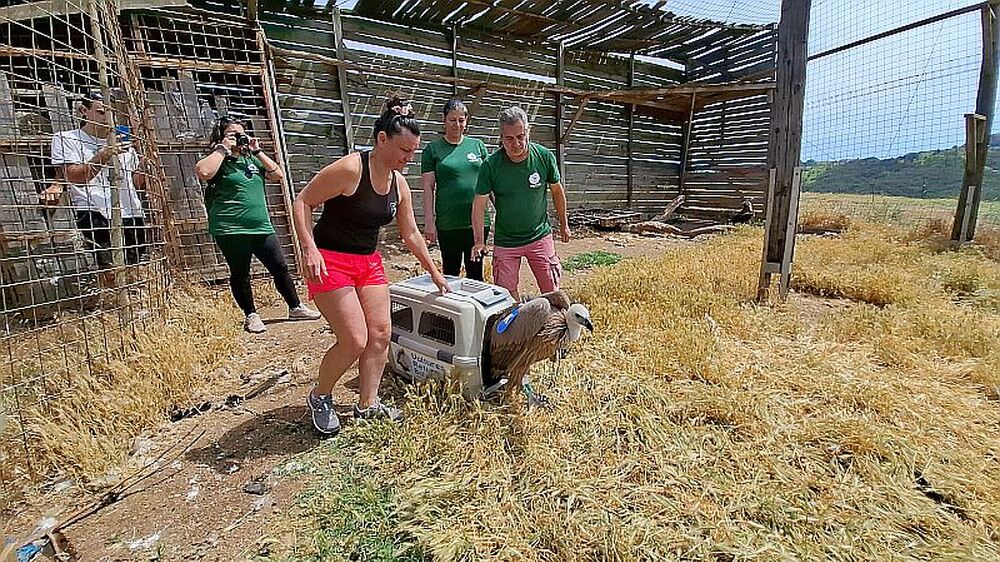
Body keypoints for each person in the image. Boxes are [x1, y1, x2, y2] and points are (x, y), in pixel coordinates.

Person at [292, 96, 449, 435]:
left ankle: (368, 404)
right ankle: (320, 396)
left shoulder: (399, 183)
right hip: (330, 259)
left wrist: (435, 272)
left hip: (368, 262)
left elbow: (410, 234)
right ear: (382, 140)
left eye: (413, 152)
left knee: (380, 334)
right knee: (354, 339)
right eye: (405, 151)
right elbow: (302, 201)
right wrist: (309, 249)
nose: (410, 158)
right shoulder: (351, 169)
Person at [194, 116, 320, 333]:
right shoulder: (219, 160)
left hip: (261, 226)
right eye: (232, 134)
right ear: (222, 136)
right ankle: (251, 315)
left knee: (280, 267)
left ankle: (295, 307)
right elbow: (203, 172)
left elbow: (278, 174)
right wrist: (223, 148)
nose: (238, 138)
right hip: (230, 229)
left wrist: (257, 150)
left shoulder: (251, 160)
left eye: (240, 134)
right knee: (240, 272)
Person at [471, 106, 570, 301]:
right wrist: (479, 240)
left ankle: (552, 326)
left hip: (539, 235)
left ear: (528, 132)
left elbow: (557, 191)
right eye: (509, 139)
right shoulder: (491, 165)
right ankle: (516, 326)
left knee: (551, 290)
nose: (516, 143)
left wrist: (564, 224)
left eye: (520, 136)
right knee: (505, 294)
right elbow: (479, 205)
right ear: (501, 137)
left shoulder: (543, 156)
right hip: (507, 240)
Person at [50, 92, 148, 280]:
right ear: (83, 111)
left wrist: (145, 164)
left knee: (135, 271)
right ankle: (114, 306)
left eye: (112, 112)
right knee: (109, 272)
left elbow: (135, 183)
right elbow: (74, 176)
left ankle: (135, 305)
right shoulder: (66, 138)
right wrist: (104, 155)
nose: (109, 117)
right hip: (95, 211)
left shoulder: (124, 140)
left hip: (130, 211)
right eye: (102, 112)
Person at [421, 98, 490, 280]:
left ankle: (474, 308)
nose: (457, 124)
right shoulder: (432, 150)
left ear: (466, 122)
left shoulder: (478, 146)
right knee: (450, 273)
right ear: (444, 120)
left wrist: (504, 212)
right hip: (449, 223)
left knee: (476, 274)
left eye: (461, 120)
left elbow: (489, 183)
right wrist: (429, 222)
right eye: (452, 120)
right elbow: (428, 188)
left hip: (477, 223)